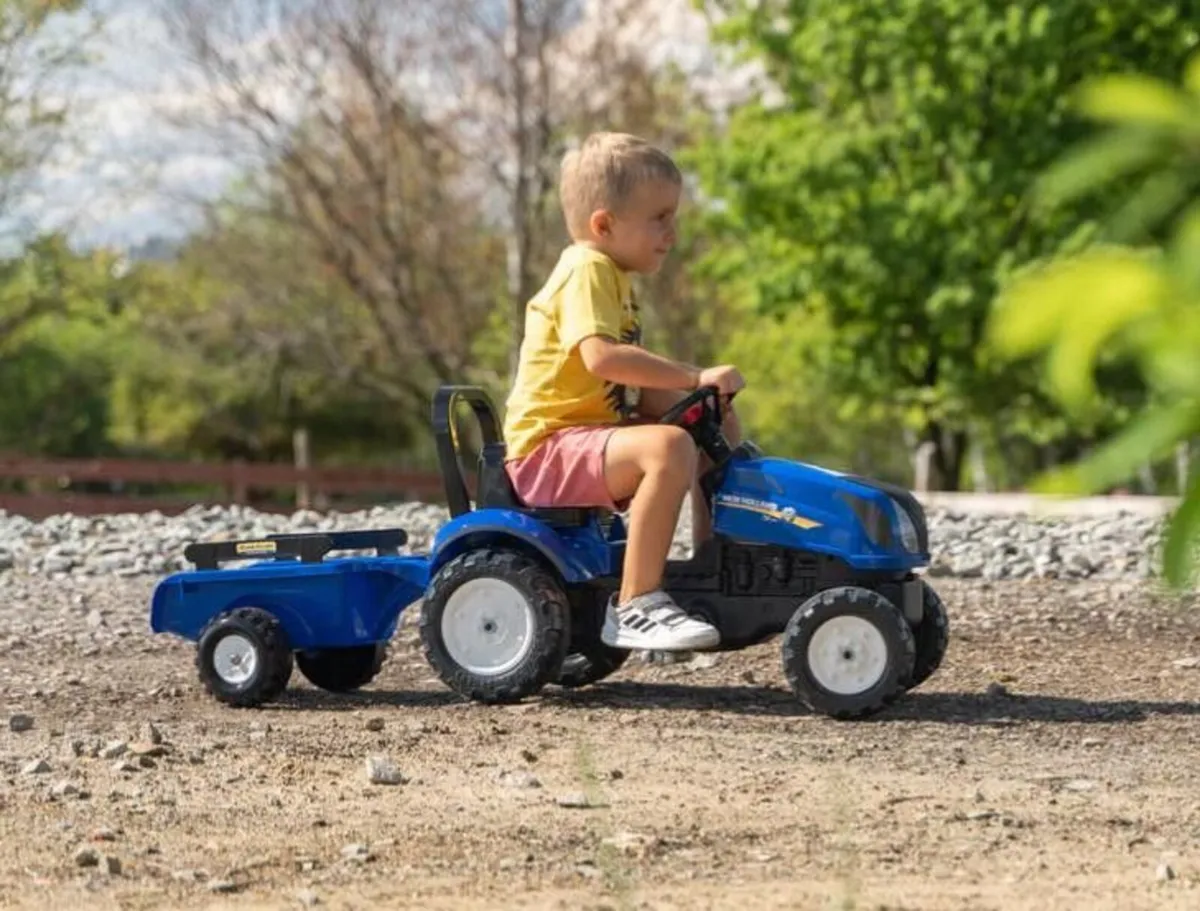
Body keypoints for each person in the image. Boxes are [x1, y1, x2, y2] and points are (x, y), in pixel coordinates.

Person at [502, 131, 745, 652]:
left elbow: (623, 387)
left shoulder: (614, 278)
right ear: (604, 225)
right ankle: (637, 603)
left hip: (587, 438)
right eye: (660, 218)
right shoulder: (587, 269)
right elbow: (603, 359)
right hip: (548, 449)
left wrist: (701, 404)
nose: (672, 233)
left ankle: (715, 564)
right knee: (670, 445)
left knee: (712, 421)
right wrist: (692, 376)